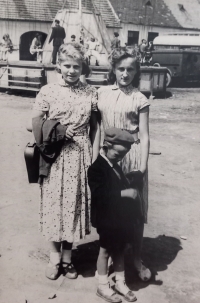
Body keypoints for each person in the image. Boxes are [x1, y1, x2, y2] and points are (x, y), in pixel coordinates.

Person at [27, 42, 100, 280]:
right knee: (53, 206)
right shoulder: (47, 91)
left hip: (80, 156)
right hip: (54, 157)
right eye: (67, 65)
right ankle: (54, 258)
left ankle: (68, 259)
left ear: (83, 67)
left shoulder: (90, 93)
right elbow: (33, 122)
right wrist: (58, 129)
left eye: (76, 66)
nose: (71, 70)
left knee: (74, 206)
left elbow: (95, 127)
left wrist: (94, 156)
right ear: (59, 65)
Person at [96, 47, 151, 282]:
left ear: (136, 71)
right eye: (121, 69)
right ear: (114, 70)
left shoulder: (140, 98)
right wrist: (95, 158)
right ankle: (108, 255)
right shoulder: (101, 93)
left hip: (132, 157)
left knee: (134, 211)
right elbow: (97, 129)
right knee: (110, 208)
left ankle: (136, 258)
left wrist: (142, 166)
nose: (125, 73)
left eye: (130, 69)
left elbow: (146, 135)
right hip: (108, 156)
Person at [88, 128, 141, 303]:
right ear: (106, 146)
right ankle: (103, 286)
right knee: (105, 251)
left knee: (119, 250)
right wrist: (123, 194)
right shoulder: (96, 169)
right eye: (118, 154)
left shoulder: (115, 164)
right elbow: (100, 195)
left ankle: (120, 282)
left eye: (122, 155)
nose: (120, 158)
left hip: (119, 218)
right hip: (106, 219)